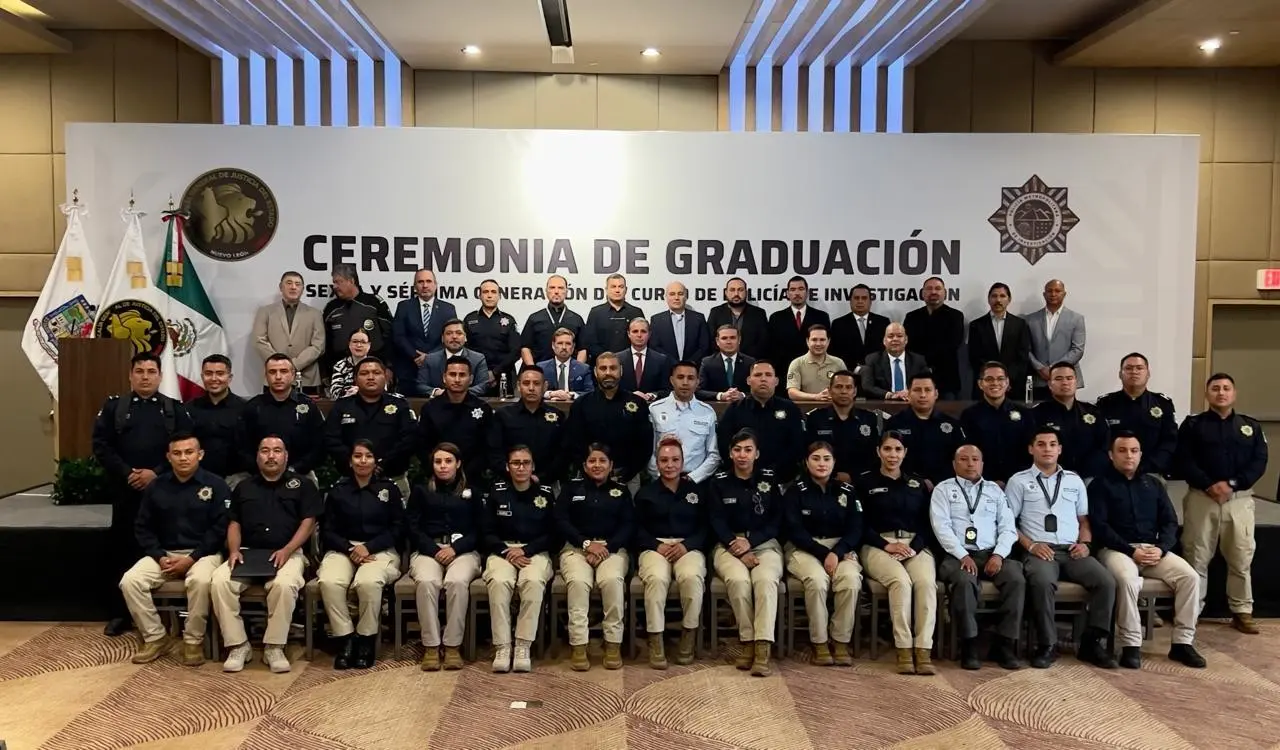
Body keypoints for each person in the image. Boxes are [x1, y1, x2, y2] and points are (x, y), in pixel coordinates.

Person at [92, 351, 194, 636]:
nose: (145, 376)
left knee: (163, 550)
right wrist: (128, 473)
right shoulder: (115, 408)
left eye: (151, 371)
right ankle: (121, 614)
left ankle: (170, 614)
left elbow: (185, 446)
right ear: (130, 375)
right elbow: (101, 446)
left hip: (166, 493)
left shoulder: (173, 409)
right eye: (140, 371)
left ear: (160, 376)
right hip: (127, 492)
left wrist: (156, 473)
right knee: (122, 551)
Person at [1089, 431, 1206, 669]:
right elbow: (1100, 527)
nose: (1128, 456)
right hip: (1116, 550)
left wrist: (1162, 548)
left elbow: (1170, 522)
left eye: (1134, 450)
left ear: (1141, 454)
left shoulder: (1154, 484)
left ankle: (1182, 643)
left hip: (1153, 550)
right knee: (1127, 580)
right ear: (1111, 455)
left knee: (1190, 577)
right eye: (1122, 451)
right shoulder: (1100, 484)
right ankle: (1131, 646)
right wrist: (1131, 551)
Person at [1006, 428, 1116, 669]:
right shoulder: (1019, 481)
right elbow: (1008, 524)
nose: (1047, 449)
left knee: (1106, 581)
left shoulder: (1074, 481)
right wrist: (1031, 545)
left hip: (1072, 549)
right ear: (1031, 449)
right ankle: (1048, 644)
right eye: (1041, 444)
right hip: (1039, 550)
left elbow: (1084, 521)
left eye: (1052, 444)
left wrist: (1085, 545)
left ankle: (1091, 643)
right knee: (1042, 582)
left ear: (1060, 450)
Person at [213, 436, 322, 673]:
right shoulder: (244, 487)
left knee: (284, 584)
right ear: (257, 456)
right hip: (247, 553)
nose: (271, 456)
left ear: (286, 456)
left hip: (288, 553)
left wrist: (288, 550)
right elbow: (234, 523)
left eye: (277, 451)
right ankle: (239, 645)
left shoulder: (303, 485)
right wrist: (233, 551)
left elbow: (309, 521)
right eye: (265, 451)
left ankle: (274, 646)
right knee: (220, 581)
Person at [119, 432, 228, 665]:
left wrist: (191, 558)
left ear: (200, 455)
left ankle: (193, 641)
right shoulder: (156, 486)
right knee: (130, 581)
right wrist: (159, 557)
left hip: (203, 555)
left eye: (189, 452)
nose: (183, 458)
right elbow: (142, 527)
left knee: (200, 582)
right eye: (177, 453)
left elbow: (220, 530)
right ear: (168, 457)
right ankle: (156, 637)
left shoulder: (216, 485)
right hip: (164, 554)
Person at [1176, 372, 1269, 634]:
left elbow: (1259, 461)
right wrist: (1209, 484)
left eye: (1226, 388)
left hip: (1238, 501)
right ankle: (1191, 611)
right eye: (1215, 388)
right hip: (1201, 498)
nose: (1221, 393)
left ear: (1234, 393)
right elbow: (1184, 459)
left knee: (1241, 557)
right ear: (1207, 394)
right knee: (1196, 557)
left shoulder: (1250, 426)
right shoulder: (1193, 425)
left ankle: (1242, 611)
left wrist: (1233, 484)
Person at [929, 445, 1024, 670]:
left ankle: (1004, 644)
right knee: (964, 581)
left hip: (992, 553)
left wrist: (999, 555)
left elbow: (1008, 528)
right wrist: (963, 555)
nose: (970, 464)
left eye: (975, 459)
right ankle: (969, 644)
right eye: (964, 459)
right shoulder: (943, 489)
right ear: (954, 464)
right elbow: (941, 527)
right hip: (957, 555)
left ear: (982, 463)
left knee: (1017, 579)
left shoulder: (994, 491)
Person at [317, 439, 404, 670]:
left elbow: (398, 528)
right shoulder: (338, 491)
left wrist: (368, 547)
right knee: (329, 581)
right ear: (350, 461)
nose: (362, 460)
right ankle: (346, 639)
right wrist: (350, 549)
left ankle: (366, 640)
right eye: (357, 456)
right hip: (343, 549)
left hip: (380, 550)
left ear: (376, 461)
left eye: (368, 456)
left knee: (368, 582)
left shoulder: (389, 489)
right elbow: (327, 531)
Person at [856, 432, 937, 675]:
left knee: (925, 583)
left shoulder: (917, 484)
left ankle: (923, 649)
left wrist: (916, 546)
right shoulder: (864, 482)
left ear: (905, 453)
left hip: (914, 544)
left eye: (898, 450)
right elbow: (858, 524)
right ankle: (903, 648)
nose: (893, 455)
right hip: (878, 544)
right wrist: (885, 544)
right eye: (888, 449)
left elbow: (928, 522)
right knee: (900, 582)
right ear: (878, 451)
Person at [707, 429, 784, 676]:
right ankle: (747, 641)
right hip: (727, 545)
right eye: (738, 450)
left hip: (764, 544)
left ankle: (762, 648)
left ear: (757, 453)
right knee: (738, 581)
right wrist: (736, 546)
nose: (742, 455)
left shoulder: (769, 480)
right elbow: (716, 520)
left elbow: (776, 521)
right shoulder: (718, 482)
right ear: (730, 453)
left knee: (764, 581)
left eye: (748, 450)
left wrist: (750, 542)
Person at [555, 443, 634, 671]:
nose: (597, 465)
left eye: (602, 461)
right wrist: (587, 545)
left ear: (611, 466)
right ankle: (579, 645)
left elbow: (628, 524)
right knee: (579, 583)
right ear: (584, 465)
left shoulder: (621, 490)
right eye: (592, 461)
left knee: (612, 581)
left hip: (612, 549)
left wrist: (605, 548)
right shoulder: (572, 488)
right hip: (577, 549)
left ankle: (612, 644)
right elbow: (561, 520)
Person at [784, 442, 863, 666]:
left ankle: (839, 641)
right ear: (806, 462)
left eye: (826, 459)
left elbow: (856, 528)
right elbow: (794, 529)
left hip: (840, 548)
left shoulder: (847, 491)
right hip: (805, 548)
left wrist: (836, 552)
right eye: (816, 458)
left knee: (850, 580)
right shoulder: (794, 490)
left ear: (834, 462)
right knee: (817, 581)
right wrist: (823, 553)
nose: (821, 463)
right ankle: (819, 643)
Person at [407, 442, 483, 671]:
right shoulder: (421, 490)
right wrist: (434, 549)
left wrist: (456, 549)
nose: (443, 466)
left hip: (463, 551)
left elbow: (481, 529)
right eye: (438, 461)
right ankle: (431, 646)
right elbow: (411, 527)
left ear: (458, 464)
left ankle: (452, 646)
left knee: (456, 582)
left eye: (448, 461)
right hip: (429, 549)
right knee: (427, 582)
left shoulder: (472, 490)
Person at [634, 437, 708, 669]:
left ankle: (688, 635)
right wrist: (657, 545)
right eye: (664, 460)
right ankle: (656, 640)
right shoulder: (645, 493)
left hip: (688, 546)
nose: (670, 465)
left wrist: (687, 545)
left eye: (675, 460)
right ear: (656, 463)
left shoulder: (696, 491)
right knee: (657, 579)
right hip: (655, 547)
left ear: (683, 461)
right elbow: (635, 528)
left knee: (692, 578)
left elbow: (706, 526)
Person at [482, 446, 557, 673]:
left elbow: (553, 533)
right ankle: (503, 646)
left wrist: (527, 550)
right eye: (516, 463)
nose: (521, 467)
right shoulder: (497, 491)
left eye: (526, 462)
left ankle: (523, 644)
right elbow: (486, 531)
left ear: (533, 466)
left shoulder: (544, 493)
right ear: (507, 467)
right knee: (498, 582)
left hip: (534, 552)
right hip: (502, 551)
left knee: (533, 582)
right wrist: (506, 551)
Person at [323, 357, 417, 496]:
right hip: (350, 480)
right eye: (364, 373)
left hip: (393, 477)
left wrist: (382, 464)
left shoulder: (399, 405)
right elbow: (331, 439)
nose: (371, 377)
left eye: (376, 373)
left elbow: (408, 439)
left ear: (385, 377)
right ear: (355, 379)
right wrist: (357, 463)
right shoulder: (342, 406)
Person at [563, 352, 653, 490]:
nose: (608, 373)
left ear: (621, 371)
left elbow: (645, 445)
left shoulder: (637, 403)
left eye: (613, 368)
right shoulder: (581, 404)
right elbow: (573, 443)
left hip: (627, 477)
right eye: (603, 368)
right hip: (589, 476)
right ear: (595, 371)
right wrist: (589, 470)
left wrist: (626, 474)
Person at [235, 354, 325, 483]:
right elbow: (241, 446)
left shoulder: (308, 406)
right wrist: (262, 470)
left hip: (301, 475)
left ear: (293, 375)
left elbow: (319, 446)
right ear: (266, 376)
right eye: (272, 372)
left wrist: (295, 470)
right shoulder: (253, 407)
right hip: (258, 476)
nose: (278, 377)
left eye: (283, 371)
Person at [715, 360, 806, 483]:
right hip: (743, 479)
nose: (763, 379)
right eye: (758, 375)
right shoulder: (735, 409)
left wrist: (775, 470)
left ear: (776, 381)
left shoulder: (790, 409)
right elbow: (724, 444)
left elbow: (797, 445)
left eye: (768, 375)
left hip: (782, 479)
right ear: (748, 380)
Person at [418, 355, 503, 485]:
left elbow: (488, 446)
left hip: (473, 478)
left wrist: (465, 473)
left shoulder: (483, 408)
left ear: (471, 379)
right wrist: (439, 470)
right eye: (452, 374)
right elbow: (423, 446)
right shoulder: (430, 408)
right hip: (437, 476)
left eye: (462, 375)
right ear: (444, 378)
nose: (457, 379)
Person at [1095, 353, 1178, 477]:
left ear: (1148, 374)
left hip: (1151, 472)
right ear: (1120, 374)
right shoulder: (1105, 403)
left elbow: (1169, 441)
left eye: (1139, 368)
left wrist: (1148, 467)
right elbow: (1099, 440)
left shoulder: (1162, 403)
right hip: (1112, 472)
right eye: (1128, 368)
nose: (1134, 372)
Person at [960, 361, 1036, 486]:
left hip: (1020, 482)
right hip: (981, 482)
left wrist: (1012, 480)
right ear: (980, 384)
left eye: (1000, 379)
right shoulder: (969, 415)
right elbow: (968, 453)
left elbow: (1031, 451)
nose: (995, 383)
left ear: (1007, 383)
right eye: (989, 379)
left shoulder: (1025, 414)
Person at [884, 372, 966, 485]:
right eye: (917, 390)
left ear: (936, 394)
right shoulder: (895, 423)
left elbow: (960, 459)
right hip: (905, 487)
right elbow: (888, 460)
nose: (922, 395)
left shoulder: (951, 424)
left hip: (945, 487)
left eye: (927, 390)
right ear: (908, 394)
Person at [251, 270, 326, 393]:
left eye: (298, 284)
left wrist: (294, 365)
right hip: (275, 377)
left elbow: (318, 345)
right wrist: (279, 366)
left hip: (307, 378)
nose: (293, 287)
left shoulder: (315, 314)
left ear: (302, 289)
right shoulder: (265, 312)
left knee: (306, 411)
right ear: (281, 287)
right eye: (289, 283)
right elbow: (259, 341)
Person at [1033, 362, 1110, 480]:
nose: (1065, 382)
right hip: (1050, 477)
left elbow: (1104, 446)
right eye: (1058, 379)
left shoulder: (1093, 412)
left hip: (1089, 477)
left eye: (1069, 378)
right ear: (1049, 384)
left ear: (1076, 381)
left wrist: (1084, 473)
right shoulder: (1037, 414)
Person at [647, 361, 720, 483]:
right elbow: (649, 451)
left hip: (696, 482)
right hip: (660, 481)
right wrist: (660, 476)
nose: (685, 382)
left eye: (690, 378)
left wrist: (692, 478)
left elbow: (713, 454)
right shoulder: (655, 409)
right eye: (680, 377)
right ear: (672, 380)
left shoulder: (707, 412)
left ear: (697, 382)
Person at [804, 370, 881, 482]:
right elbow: (809, 453)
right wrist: (832, 475)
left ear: (855, 391)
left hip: (861, 482)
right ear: (829, 391)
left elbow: (874, 456)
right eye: (839, 387)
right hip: (824, 480)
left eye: (848, 387)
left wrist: (853, 477)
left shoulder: (868, 418)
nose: (844, 391)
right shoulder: (815, 418)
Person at [496, 366, 567, 485]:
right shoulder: (503, 416)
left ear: (545, 386)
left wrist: (542, 478)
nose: (531, 388)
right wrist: (514, 476)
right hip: (510, 482)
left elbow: (563, 453)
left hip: (548, 482)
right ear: (518, 386)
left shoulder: (557, 416)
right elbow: (495, 452)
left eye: (536, 383)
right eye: (526, 383)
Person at [391, 269, 457, 393]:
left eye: (428, 281)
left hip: (437, 370)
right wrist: (415, 356)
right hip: (408, 370)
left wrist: (429, 357)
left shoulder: (448, 309)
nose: (425, 285)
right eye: (420, 282)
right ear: (415, 286)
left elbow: (450, 338)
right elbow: (398, 336)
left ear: (435, 285)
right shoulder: (404, 306)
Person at [322, 264, 392, 373]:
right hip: (340, 370)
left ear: (351, 281)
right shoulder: (331, 308)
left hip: (373, 369)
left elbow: (390, 335)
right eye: (333, 282)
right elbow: (325, 343)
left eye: (338, 282)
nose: (334, 286)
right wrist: (326, 373)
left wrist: (388, 367)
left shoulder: (374, 303)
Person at [185, 354, 246, 481]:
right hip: (196, 478)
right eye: (208, 373)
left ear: (229, 378)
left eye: (220, 373)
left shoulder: (245, 409)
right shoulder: (189, 408)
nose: (214, 378)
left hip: (235, 480)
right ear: (202, 377)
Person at [903, 277, 965, 399]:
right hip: (917, 377)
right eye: (929, 289)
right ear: (923, 293)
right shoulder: (912, 317)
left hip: (946, 381)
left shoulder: (955, 316)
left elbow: (952, 344)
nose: (933, 292)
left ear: (945, 293)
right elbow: (909, 346)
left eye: (938, 288)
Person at [967, 283, 1032, 400]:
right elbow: (974, 357)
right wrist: (992, 380)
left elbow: (1022, 356)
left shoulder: (1020, 324)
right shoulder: (976, 325)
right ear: (988, 299)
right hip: (985, 386)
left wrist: (1006, 380)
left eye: (1002, 296)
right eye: (994, 296)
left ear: (1009, 299)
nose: (998, 300)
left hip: (1013, 386)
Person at [1027, 280, 1086, 401]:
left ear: (1064, 294)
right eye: (1049, 291)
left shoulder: (1076, 319)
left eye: (1057, 291)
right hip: (1039, 378)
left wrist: (1055, 369)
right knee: (1039, 416)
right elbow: (1026, 349)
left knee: (1066, 415)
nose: (1053, 294)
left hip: (1065, 379)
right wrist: (1040, 368)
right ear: (1044, 294)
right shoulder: (1030, 319)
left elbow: (1078, 349)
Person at [464, 278, 523, 395]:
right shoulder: (469, 319)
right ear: (479, 295)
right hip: (476, 377)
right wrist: (482, 373)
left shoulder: (509, 320)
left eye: (493, 292)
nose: (489, 295)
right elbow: (465, 350)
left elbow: (516, 351)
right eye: (485, 292)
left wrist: (495, 372)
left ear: (499, 296)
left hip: (503, 377)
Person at [520, 275, 586, 366]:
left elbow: (583, 349)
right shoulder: (534, 318)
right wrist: (533, 370)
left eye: (560, 288)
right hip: (540, 374)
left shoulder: (577, 319)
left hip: (568, 374)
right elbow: (525, 348)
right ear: (546, 291)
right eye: (552, 287)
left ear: (566, 291)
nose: (556, 291)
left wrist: (577, 370)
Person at [767, 276, 830, 366]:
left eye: (801, 289)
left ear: (807, 292)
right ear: (788, 294)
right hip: (784, 371)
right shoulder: (776, 318)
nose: (797, 293)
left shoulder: (821, 317)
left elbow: (827, 347)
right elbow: (771, 349)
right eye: (793, 290)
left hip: (814, 367)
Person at [583, 273, 645, 364]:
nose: (617, 290)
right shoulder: (595, 313)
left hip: (629, 365)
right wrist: (608, 359)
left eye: (621, 286)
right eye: (613, 286)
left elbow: (642, 340)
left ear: (626, 290)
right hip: (601, 365)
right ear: (606, 290)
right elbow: (590, 342)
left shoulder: (636, 312)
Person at [829, 283, 889, 377]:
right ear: (850, 301)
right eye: (856, 298)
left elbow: (886, 351)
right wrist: (855, 369)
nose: (860, 301)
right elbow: (835, 353)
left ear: (870, 302)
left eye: (864, 298)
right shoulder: (838, 324)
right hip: (848, 375)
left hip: (877, 376)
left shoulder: (883, 322)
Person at [420, 319, 490, 398]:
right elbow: (420, 385)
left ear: (466, 337)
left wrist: (457, 394)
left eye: (459, 333)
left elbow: (484, 385)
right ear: (442, 338)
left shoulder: (478, 358)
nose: (454, 337)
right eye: (449, 333)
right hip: (438, 405)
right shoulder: (430, 359)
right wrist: (436, 392)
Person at [707, 276, 770, 360]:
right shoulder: (716, 312)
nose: (736, 294)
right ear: (726, 292)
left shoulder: (759, 313)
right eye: (732, 290)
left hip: (751, 363)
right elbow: (711, 340)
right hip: (722, 363)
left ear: (746, 292)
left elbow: (763, 342)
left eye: (740, 290)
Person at [861, 323, 928, 401]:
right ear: (884, 341)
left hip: (911, 403)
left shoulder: (918, 360)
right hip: (884, 405)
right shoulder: (873, 359)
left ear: (906, 340)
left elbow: (928, 384)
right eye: (890, 336)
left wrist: (910, 392)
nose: (895, 339)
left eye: (899, 336)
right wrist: (891, 395)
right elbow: (867, 387)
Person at [649, 281, 711, 364]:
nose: (676, 297)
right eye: (672, 294)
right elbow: (654, 346)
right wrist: (673, 363)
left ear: (686, 296)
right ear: (666, 297)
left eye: (680, 294)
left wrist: (689, 364)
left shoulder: (699, 318)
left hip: (693, 369)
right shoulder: (656, 320)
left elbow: (704, 346)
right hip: (665, 369)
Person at [785, 324, 846, 402]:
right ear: (807, 341)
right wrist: (816, 397)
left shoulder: (838, 363)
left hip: (833, 410)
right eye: (814, 340)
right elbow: (792, 393)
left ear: (828, 341)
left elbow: (846, 390)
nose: (818, 344)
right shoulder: (797, 363)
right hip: (805, 411)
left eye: (822, 340)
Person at [617, 318, 672, 402]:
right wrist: (630, 395)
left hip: (651, 408)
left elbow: (667, 389)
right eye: (635, 331)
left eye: (643, 331)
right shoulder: (617, 359)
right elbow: (613, 387)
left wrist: (653, 395)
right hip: (623, 408)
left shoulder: (661, 360)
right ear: (628, 334)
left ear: (649, 334)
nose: (639, 335)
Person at [697, 324, 754, 402]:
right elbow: (698, 391)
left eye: (732, 338)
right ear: (717, 341)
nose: (729, 342)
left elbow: (758, 390)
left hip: (744, 409)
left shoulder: (750, 362)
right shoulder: (707, 363)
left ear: (739, 340)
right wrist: (720, 396)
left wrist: (742, 395)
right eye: (724, 338)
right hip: (716, 409)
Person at [537, 327, 593, 401]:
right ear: (553, 345)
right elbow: (535, 390)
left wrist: (570, 395)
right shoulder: (541, 368)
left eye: (568, 344)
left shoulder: (584, 369)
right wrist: (551, 394)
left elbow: (590, 393)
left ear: (573, 347)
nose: (564, 347)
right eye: (560, 343)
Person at [328, 329, 372, 399]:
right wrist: (348, 392)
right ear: (349, 344)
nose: (359, 345)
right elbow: (334, 391)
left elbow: (382, 389)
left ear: (369, 345)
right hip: (346, 403)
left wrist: (362, 392)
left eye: (363, 342)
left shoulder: (376, 365)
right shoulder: (340, 365)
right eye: (355, 342)